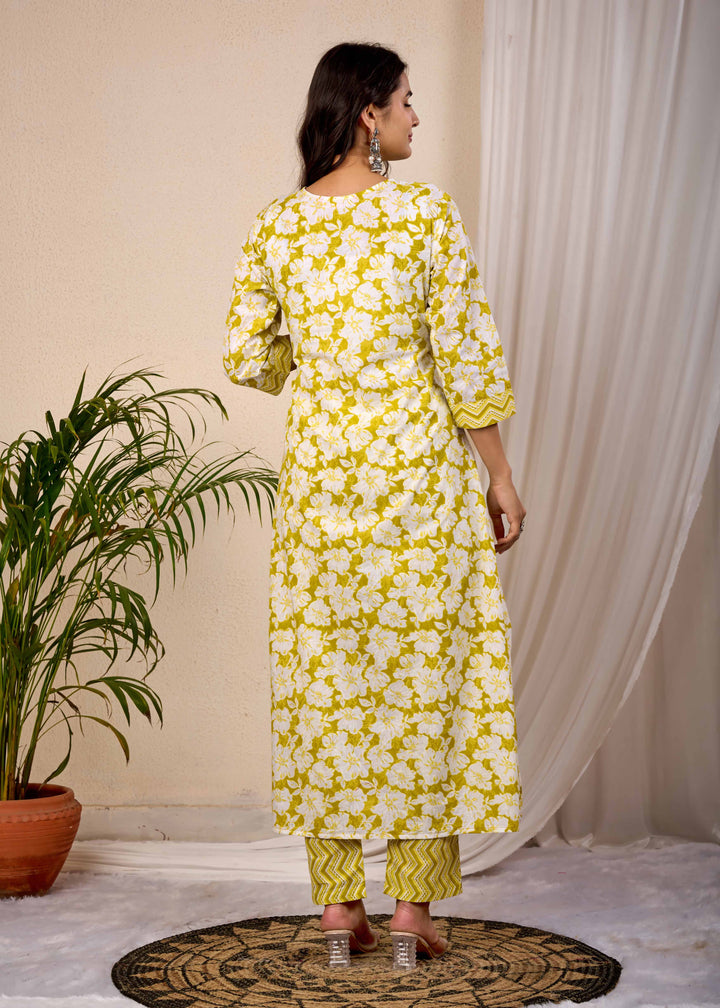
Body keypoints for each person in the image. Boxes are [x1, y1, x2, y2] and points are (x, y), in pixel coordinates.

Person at [223, 42, 526, 970]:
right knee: (425, 682)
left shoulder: (279, 225)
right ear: (368, 112)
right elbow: (465, 355)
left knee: (328, 687)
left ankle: (336, 908)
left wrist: (323, 358)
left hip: (321, 488)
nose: (416, 116)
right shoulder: (424, 214)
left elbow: (248, 356)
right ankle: (411, 913)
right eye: (406, 100)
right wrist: (500, 475)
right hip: (416, 489)